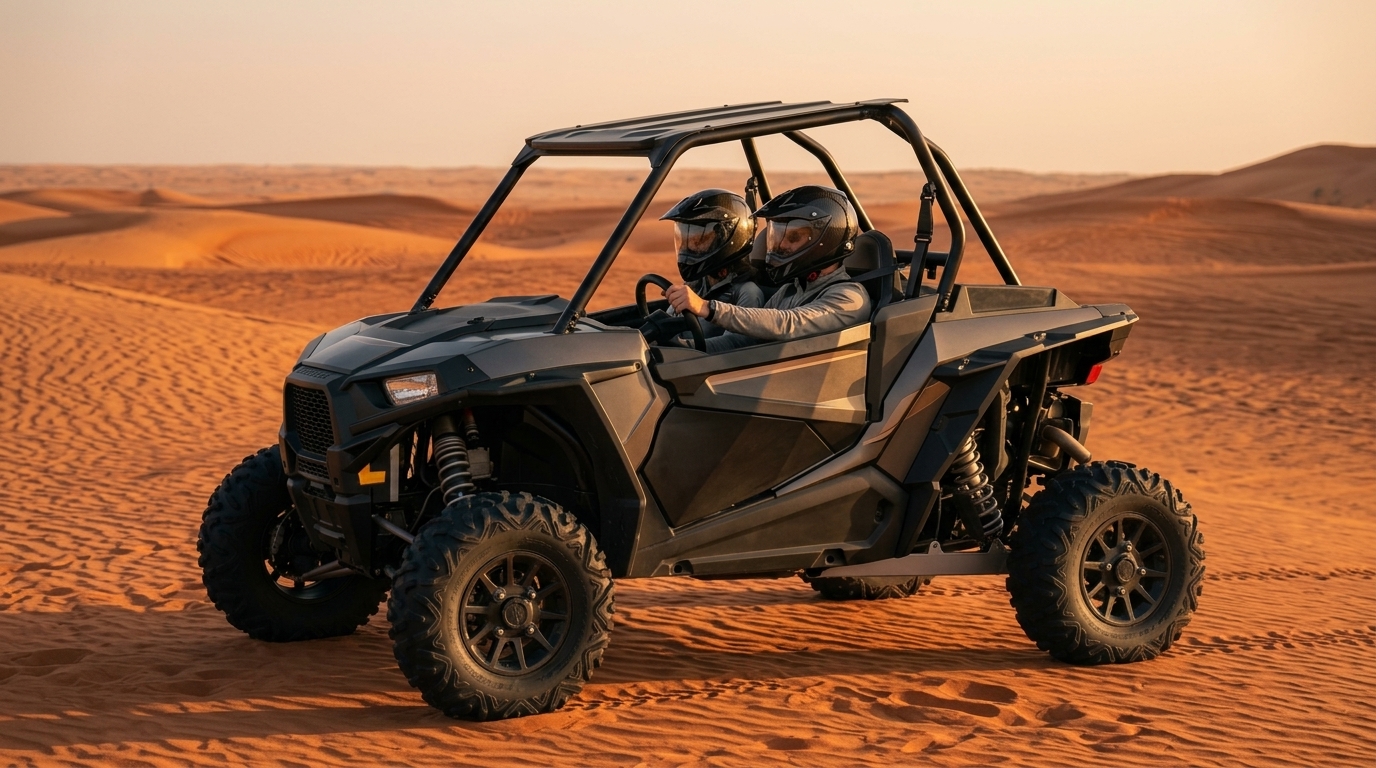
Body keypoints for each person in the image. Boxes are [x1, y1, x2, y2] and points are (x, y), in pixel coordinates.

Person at [665, 185, 870, 353]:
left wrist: (708, 308)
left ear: (825, 239)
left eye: (793, 238)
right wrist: (683, 350)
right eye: (778, 236)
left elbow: (787, 324)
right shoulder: (790, 290)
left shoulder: (849, 298)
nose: (780, 246)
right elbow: (743, 341)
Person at [640, 189, 763, 341]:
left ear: (728, 239)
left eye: (699, 241)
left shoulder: (747, 293)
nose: (688, 248)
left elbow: (734, 347)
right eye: (685, 240)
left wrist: (678, 347)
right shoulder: (697, 284)